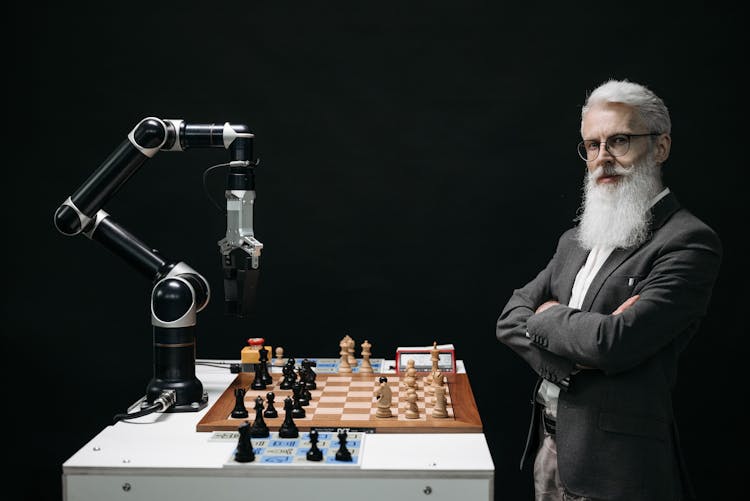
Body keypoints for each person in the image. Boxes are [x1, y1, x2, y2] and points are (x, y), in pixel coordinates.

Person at [496, 79, 721, 501]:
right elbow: (509, 319)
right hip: (549, 446)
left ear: (660, 147)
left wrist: (546, 315)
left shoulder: (688, 242)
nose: (603, 159)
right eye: (592, 146)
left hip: (615, 468)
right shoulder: (577, 238)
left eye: (619, 141)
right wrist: (571, 360)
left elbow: (611, 343)